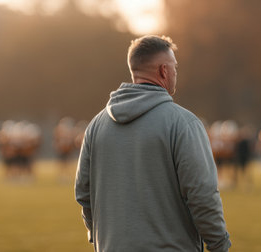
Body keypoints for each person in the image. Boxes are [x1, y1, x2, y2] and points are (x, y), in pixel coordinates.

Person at [75, 35, 231, 252]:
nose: (176, 72)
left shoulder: (96, 125)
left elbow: (83, 193)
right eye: (174, 66)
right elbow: (202, 195)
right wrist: (219, 244)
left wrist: (100, 236)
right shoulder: (183, 123)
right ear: (164, 71)